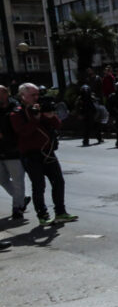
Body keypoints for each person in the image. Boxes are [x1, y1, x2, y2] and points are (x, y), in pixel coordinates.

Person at [11, 83, 77, 226]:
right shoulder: (17, 113)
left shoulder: (41, 108)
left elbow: (57, 125)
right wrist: (35, 118)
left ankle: (60, 212)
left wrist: (49, 115)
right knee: (39, 185)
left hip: (48, 152)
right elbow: (24, 132)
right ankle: (43, 215)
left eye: (37, 95)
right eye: (32, 95)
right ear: (23, 96)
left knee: (58, 182)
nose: (36, 98)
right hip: (31, 154)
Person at [0, 85, 28, 220]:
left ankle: (17, 208)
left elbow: (18, 128)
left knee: (18, 181)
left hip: (13, 150)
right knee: (2, 180)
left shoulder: (16, 107)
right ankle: (21, 198)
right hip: (0, 150)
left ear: (6, 93)